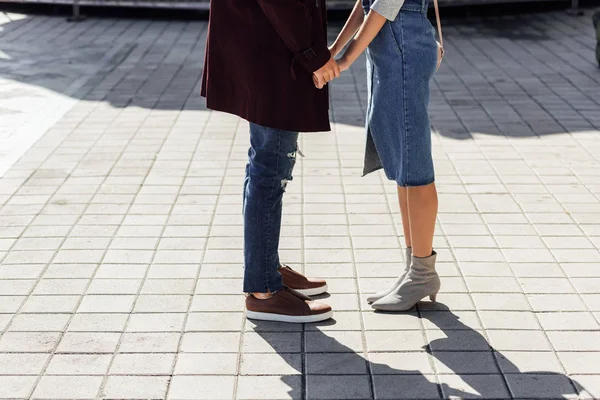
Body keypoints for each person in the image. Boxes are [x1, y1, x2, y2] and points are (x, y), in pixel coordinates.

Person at [201, 0, 340, 323]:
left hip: (267, 48)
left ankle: (266, 265)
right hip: (272, 56)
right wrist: (314, 55)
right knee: (269, 168)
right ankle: (264, 290)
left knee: (264, 164)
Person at [330, 0, 442, 310]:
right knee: (402, 161)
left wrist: (345, 58)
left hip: (402, 47)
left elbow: (386, 3)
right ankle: (414, 270)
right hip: (391, 48)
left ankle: (421, 273)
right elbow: (368, 3)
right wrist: (335, 49)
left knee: (414, 164)